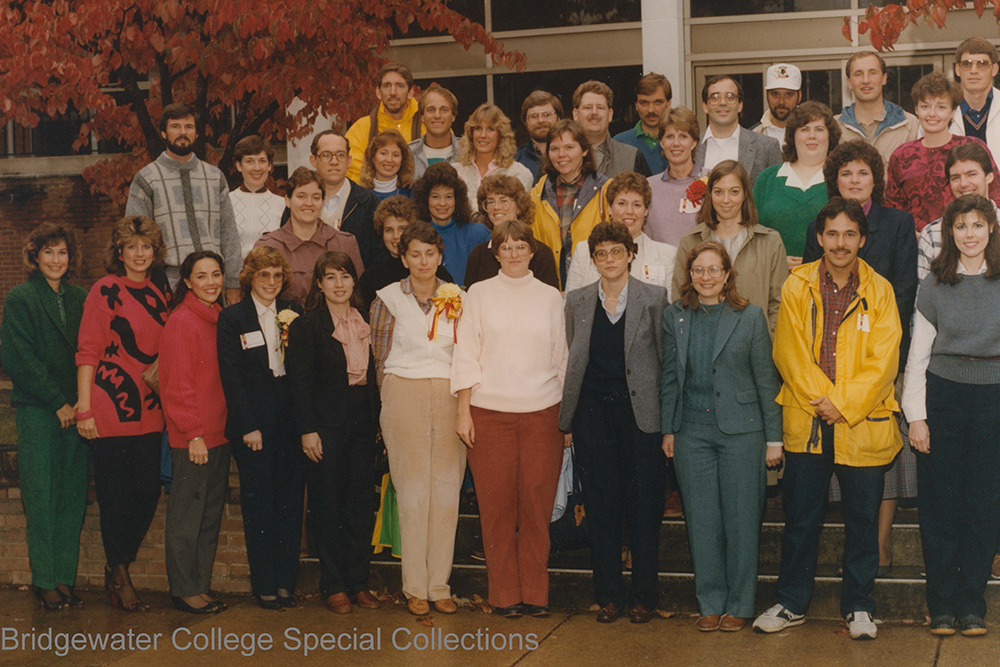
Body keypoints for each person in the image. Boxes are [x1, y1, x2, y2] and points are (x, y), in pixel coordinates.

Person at [754, 197, 902, 641]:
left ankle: (858, 606)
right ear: (819, 238)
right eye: (832, 234)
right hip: (809, 419)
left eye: (850, 234)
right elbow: (788, 350)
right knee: (801, 518)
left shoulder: (881, 290)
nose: (840, 243)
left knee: (862, 521)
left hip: (861, 422)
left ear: (862, 239)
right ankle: (791, 602)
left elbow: (885, 360)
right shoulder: (797, 284)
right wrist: (825, 401)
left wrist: (844, 403)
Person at [803, 140, 918, 577]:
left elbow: (905, 290)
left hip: (883, 358)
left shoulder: (897, 222)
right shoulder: (823, 223)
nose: (854, 181)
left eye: (863, 173)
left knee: (880, 452)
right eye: (846, 173)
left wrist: (886, 357)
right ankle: (856, 545)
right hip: (831, 361)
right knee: (838, 452)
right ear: (835, 179)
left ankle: (880, 542)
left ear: (876, 178)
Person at [661, 241, 782, 632]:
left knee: (742, 519)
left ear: (728, 275)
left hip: (742, 433)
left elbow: (766, 381)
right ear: (689, 275)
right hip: (691, 432)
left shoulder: (750, 317)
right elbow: (668, 378)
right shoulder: (674, 316)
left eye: (714, 270)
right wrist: (668, 428)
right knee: (702, 520)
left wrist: (774, 439)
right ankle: (710, 602)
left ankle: (740, 604)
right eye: (699, 270)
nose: (706, 277)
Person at [452, 219, 568, 618]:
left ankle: (535, 593)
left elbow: (563, 359)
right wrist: (463, 411)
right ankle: (503, 595)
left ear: (533, 251)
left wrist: (567, 418)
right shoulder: (478, 295)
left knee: (536, 507)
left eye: (521, 246)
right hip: (489, 414)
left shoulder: (552, 297)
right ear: (495, 252)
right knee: (496, 508)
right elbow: (466, 353)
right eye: (506, 246)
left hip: (543, 413)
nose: (514, 252)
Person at [902, 194, 1000, 637]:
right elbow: (918, 357)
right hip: (942, 399)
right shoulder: (934, 285)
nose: (970, 234)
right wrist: (917, 417)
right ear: (950, 233)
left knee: (984, 506)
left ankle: (971, 605)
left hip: (993, 401)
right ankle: (941, 605)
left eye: (978, 225)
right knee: (940, 507)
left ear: (992, 229)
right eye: (961, 226)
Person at [561, 221, 668, 624]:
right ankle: (608, 594)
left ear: (631, 255)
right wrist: (568, 420)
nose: (609, 259)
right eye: (601, 253)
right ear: (593, 260)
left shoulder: (654, 299)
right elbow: (575, 357)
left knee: (643, 508)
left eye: (616, 252)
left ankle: (643, 595)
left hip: (641, 419)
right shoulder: (578, 301)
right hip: (593, 417)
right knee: (602, 507)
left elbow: (664, 361)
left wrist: (665, 423)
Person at [75, 215, 171, 612]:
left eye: (146, 247)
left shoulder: (159, 293)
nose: (139, 254)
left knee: (146, 493)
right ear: (120, 252)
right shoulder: (104, 289)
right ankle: (120, 573)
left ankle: (118, 565)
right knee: (116, 498)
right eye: (131, 247)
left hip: (149, 410)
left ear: (154, 252)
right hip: (110, 406)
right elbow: (88, 350)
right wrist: (84, 408)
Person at [370, 222, 467, 617]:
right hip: (403, 392)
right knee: (411, 490)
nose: (423, 261)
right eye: (415, 254)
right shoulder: (387, 299)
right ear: (403, 257)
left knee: (446, 490)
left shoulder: (459, 297)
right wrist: (387, 408)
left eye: (430, 253)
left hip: (449, 394)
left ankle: (439, 584)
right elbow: (379, 357)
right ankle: (414, 586)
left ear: (440, 256)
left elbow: (468, 352)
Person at [286, 251, 380, 614]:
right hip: (325, 424)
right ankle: (334, 585)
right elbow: (300, 384)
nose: (338, 285)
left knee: (359, 504)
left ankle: (359, 583)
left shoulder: (366, 320)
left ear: (354, 281)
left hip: (362, 419)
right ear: (320, 284)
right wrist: (308, 430)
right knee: (327, 504)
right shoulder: (307, 326)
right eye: (330, 278)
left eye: (344, 277)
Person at [0, 223, 88, 610]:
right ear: (35, 256)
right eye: (49, 252)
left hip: (77, 411)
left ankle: (65, 577)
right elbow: (19, 357)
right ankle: (45, 579)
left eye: (62, 253)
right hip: (40, 409)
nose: (56, 260)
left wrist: (79, 403)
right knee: (40, 495)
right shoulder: (21, 298)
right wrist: (56, 401)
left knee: (72, 495)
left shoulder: (81, 297)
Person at [217, 247, 304, 610]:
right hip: (254, 424)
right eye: (264, 275)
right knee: (260, 504)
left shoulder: (294, 313)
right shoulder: (233, 318)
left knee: (289, 503)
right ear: (250, 276)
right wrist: (248, 426)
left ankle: (286, 583)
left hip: (289, 422)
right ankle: (264, 584)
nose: (271, 283)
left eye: (277, 276)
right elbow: (232, 377)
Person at [159, 251, 229, 615]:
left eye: (216, 274)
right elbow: (177, 385)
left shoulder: (217, 318)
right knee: (188, 516)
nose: (211, 282)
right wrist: (193, 434)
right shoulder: (183, 321)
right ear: (187, 282)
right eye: (201, 276)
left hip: (218, 432)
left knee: (208, 515)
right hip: (194, 437)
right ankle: (184, 589)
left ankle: (199, 585)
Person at [124, 103, 241, 303]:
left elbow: (228, 233)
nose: (182, 132)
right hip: (168, 284)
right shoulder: (146, 179)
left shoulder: (214, 177)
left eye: (188, 127)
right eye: (175, 127)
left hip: (213, 284)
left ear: (196, 133)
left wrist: (232, 283)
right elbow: (135, 238)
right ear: (163, 133)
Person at [673, 161, 788, 335]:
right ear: (710, 195)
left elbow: (778, 304)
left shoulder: (770, 242)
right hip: (703, 344)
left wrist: (765, 344)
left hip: (752, 346)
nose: (726, 200)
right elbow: (680, 300)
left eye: (734, 192)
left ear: (745, 195)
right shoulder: (690, 241)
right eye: (718, 192)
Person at [886, 72, 1000, 233]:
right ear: (916, 110)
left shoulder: (973, 147)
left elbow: (996, 196)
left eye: (941, 107)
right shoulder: (901, 156)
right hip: (917, 246)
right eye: (925, 106)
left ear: (953, 111)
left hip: (970, 240)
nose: (932, 114)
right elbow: (893, 209)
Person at [254, 167, 364, 306]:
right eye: (301, 196)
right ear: (287, 200)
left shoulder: (345, 243)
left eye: (316, 197)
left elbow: (358, 296)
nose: (309, 203)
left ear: (323, 202)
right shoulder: (268, 246)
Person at [754, 101, 840, 264]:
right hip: (775, 282)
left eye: (819, 129)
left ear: (830, 136)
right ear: (793, 135)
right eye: (804, 129)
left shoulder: (841, 180)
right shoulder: (768, 179)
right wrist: (776, 261)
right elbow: (750, 236)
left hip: (829, 282)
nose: (812, 136)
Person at [565, 171, 677, 296]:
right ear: (609, 208)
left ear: (646, 210)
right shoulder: (584, 250)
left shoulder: (667, 256)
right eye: (622, 203)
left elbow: (671, 310)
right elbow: (570, 306)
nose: (629, 211)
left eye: (637, 205)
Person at [530, 119, 612, 287]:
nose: (561, 155)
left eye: (569, 147)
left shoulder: (606, 189)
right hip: (550, 286)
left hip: (595, 286)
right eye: (554, 149)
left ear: (584, 150)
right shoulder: (538, 192)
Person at [919, 142, 1000, 279]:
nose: (963, 184)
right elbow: (925, 294)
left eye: (971, 174)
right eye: (955, 177)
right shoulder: (932, 234)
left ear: (989, 177)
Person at [464, 174, 559, 289]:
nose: (496, 207)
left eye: (504, 201)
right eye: (491, 202)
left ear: (519, 207)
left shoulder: (541, 253)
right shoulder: (478, 255)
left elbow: (549, 299)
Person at [358, 195, 453, 309]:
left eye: (402, 229)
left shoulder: (437, 273)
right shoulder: (371, 278)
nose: (396, 236)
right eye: (389, 230)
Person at [309, 129, 381, 267]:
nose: (334, 161)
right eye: (326, 155)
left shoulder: (369, 203)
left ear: (349, 161)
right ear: (313, 161)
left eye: (340, 155)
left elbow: (378, 257)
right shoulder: (299, 203)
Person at [411, 162, 490, 286]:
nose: (442, 203)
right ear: (425, 199)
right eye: (435, 196)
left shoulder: (477, 234)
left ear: (457, 199)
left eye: (448, 197)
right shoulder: (414, 235)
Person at [835, 51, 919, 167]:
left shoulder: (910, 125)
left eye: (872, 73)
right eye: (858, 74)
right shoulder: (834, 128)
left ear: (884, 78)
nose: (865, 80)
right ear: (849, 82)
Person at [694, 75, 781, 185]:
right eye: (715, 97)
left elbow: (776, 194)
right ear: (705, 106)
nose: (723, 103)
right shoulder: (691, 147)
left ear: (740, 105)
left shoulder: (767, 146)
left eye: (730, 97)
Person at [344, 62, 422, 183]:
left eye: (400, 86)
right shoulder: (361, 128)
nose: (393, 92)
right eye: (386, 86)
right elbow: (352, 173)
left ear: (410, 92)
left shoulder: (427, 124)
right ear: (378, 92)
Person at [453, 103, 534, 210]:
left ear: (501, 134)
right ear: (471, 134)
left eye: (490, 129)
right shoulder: (456, 172)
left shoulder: (519, 174)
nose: (483, 135)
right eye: (478, 128)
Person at [646, 107, 708, 247]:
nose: (676, 143)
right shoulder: (648, 187)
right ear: (661, 142)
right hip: (662, 266)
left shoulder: (712, 181)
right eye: (669, 136)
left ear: (694, 142)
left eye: (683, 136)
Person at [571, 80, 651, 178]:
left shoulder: (632, 156)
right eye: (588, 107)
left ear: (610, 114)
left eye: (600, 108)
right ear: (575, 114)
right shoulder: (561, 156)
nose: (594, 112)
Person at [229, 135, 284, 259]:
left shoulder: (283, 205)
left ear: (270, 166)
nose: (257, 168)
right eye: (249, 161)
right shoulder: (226, 202)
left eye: (262, 161)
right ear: (238, 165)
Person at [613, 72, 672, 175]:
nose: (651, 110)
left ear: (669, 103)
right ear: (636, 105)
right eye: (644, 103)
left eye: (658, 102)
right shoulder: (619, 143)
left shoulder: (679, 141)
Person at [949, 37, 1000, 157]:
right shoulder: (938, 112)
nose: (974, 70)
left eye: (982, 64)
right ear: (957, 69)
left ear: (994, 69)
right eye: (967, 64)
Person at [409, 84, 460, 179]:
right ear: (422, 117)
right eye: (431, 110)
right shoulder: (408, 154)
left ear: (453, 116)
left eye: (443, 110)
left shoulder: (467, 152)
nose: (437, 115)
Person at [515, 91, 563, 181]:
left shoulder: (572, 156)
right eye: (534, 116)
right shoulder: (515, 161)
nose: (541, 120)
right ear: (525, 122)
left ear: (558, 118)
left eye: (547, 115)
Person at [753, 64, 802, 149]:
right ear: (767, 95)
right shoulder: (753, 135)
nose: (781, 101)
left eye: (788, 94)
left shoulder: (814, 134)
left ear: (799, 96)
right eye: (775, 94)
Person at [359, 130, 414, 200]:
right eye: (383, 153)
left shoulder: (411, 193)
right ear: (372, 157)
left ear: (402, 160)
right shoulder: (360, 195)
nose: (389, 160)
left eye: (395, 155)